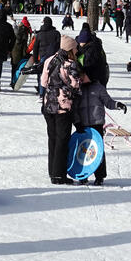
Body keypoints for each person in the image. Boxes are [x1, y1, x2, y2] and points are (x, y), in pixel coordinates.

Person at [40, 35, 83, 184]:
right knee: (62, 140)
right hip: (63, 106)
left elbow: (43, 82)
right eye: (75, 48)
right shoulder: (70, 64)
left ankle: (52, 171)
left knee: (52, 138)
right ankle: (59, 175)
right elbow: (76, 85)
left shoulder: (49, 60)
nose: (77, 50)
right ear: (70, 49)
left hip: (48, 104)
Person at [74, 78, 126, 186]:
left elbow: (108, 102)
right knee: (83, 150)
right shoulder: (78, 89)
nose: (82, 78)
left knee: (98, 150)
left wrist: (118, 105)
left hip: (96, 124)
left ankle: (99, 176)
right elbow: (75, 107)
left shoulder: (98, 88)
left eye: (84, 75)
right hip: (83, 125)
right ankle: (83, 175)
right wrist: (77, 122)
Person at [30, 16, 61, 96]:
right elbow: (59, 45)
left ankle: (41, 93)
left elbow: (35, 48)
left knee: (41, 75)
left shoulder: (39, 34)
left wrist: (35, 60)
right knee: (53, 75)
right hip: (54, 57)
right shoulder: (56, 33)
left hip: (42, 57)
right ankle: (52, 93)